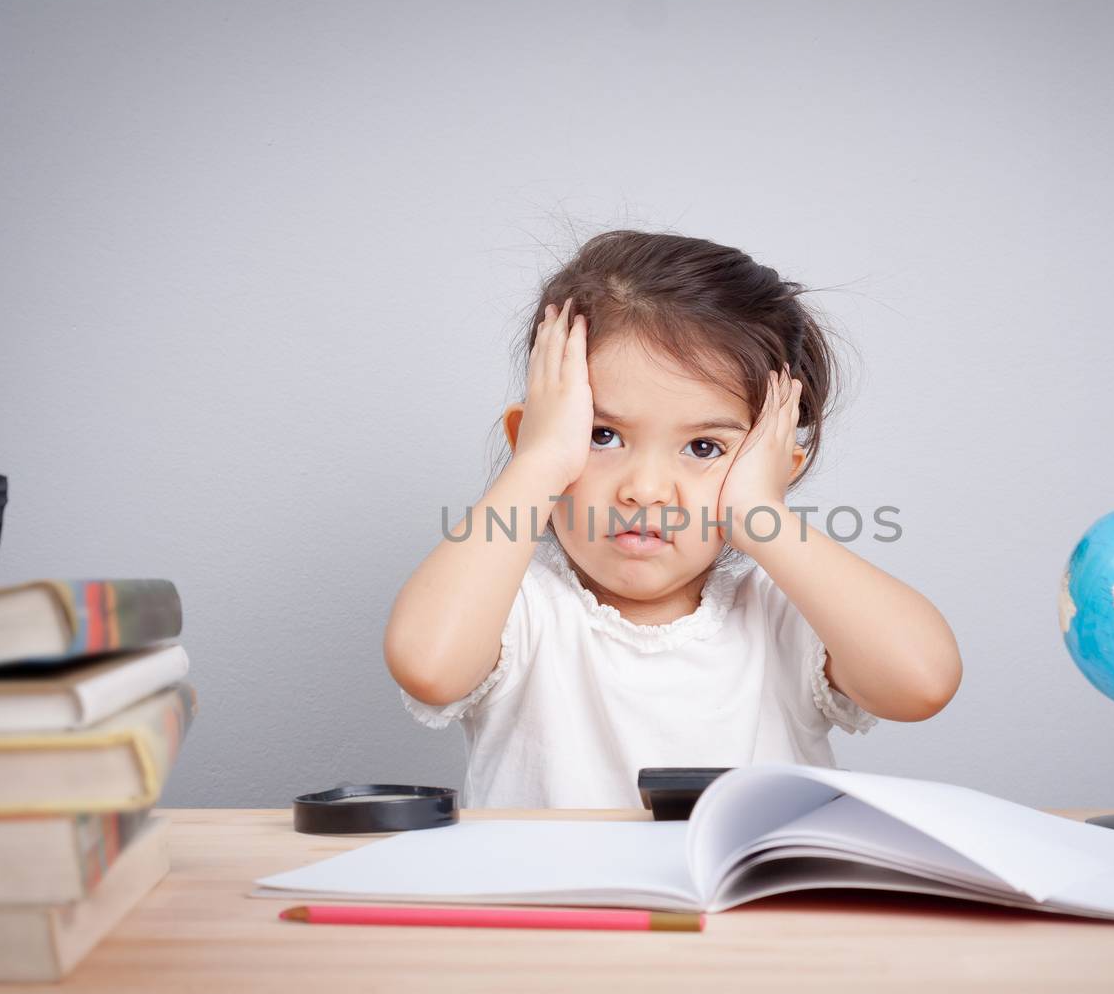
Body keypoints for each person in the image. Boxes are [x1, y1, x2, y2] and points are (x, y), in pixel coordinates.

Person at [384, 230, 962, 808]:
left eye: (704, 448)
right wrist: (537, 465)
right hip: (563, 901)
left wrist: (763, 513)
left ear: (773, 471)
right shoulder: (517, 608)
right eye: (601, 435)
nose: (646, 490)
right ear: (532, 438)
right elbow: (429, 665)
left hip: (749, 902)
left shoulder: (786, 615)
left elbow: (922, 683)